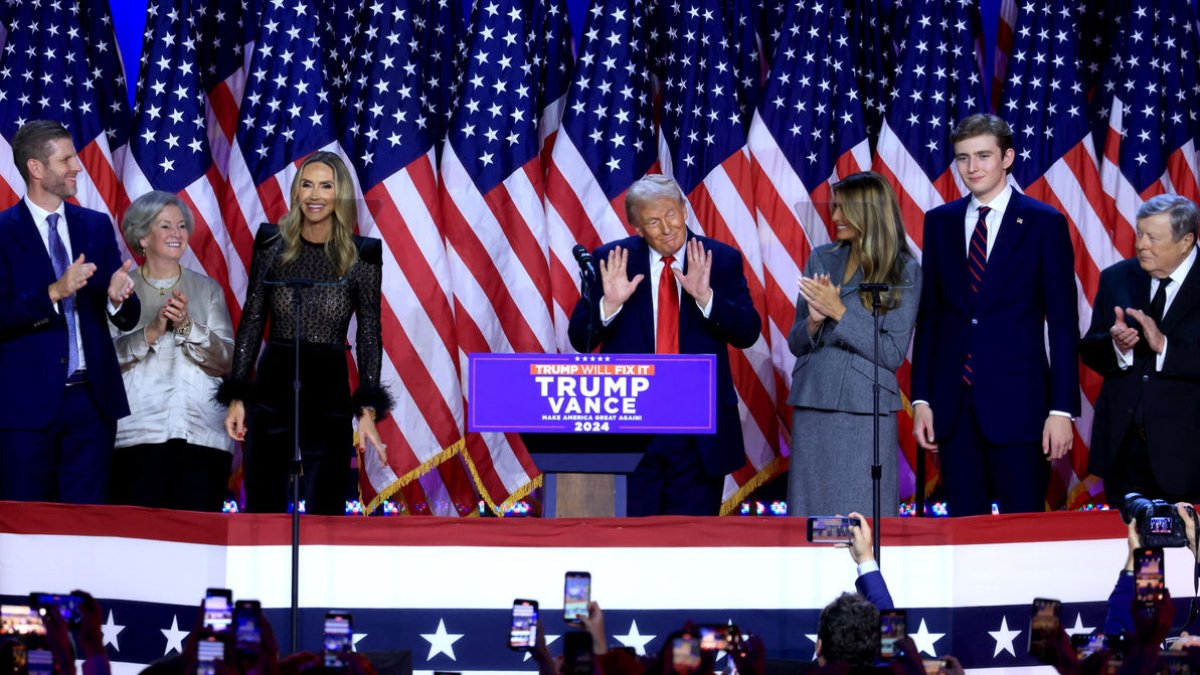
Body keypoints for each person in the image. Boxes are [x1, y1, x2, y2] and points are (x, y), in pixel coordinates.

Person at [911, 114, 1079, 516]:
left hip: (1020, 407)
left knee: (1023, 530)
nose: (972, 168)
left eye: (983, 156)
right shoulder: (940, 222)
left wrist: (1061, 410)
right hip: (953, 407)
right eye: (963, 158)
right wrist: (921, 398)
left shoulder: (1044, 223)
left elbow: (1062, 323)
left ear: (1007, 158)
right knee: (964, 530)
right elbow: (931, 316)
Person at [566, 174, 762, 516]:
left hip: (699, 432)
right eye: (653, 221)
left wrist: (707, 298)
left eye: (672, 214)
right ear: (638, 227)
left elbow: (748, 332)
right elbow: (580, 339)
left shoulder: (721, 259)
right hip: (632, 429)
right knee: (633, 545)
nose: (667, 227)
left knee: (693, 546)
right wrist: (608, 305)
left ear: (685, 210)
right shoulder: (613, 260)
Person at [218, 151, 391, 515]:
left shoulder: (364, 255)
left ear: (339, 194)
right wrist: (237, 396)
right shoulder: (270, 242)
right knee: (262, 496)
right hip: (274, 375)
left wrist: (368, 410)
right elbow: (252, 318)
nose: (315, 195)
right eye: (307, 185)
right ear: (296, 192)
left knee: (326, 499)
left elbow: (370, 334)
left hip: (328, 381)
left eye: (325, 186)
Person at [0, 120, 139, 504]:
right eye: (67, 159)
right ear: (36, 168)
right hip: (24, 408)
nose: (78, 166)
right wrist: (54, 292)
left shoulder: (95, 226)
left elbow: (126, 313)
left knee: (85, 525)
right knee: (25, 525)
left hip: (92, 405)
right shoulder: (3, 232)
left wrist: (118, 297)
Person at [787, 172, 921, 517]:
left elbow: (891, 353)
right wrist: (815, 322)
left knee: (858, 518)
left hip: (863, 409)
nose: (834, 218)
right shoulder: (821, 257)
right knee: (811, 517)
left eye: (844, 210)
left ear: (871, 212)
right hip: (813, 399)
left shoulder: (903, 269)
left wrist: (840, 312)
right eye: (834, 209)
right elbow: (796, 341)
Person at [109, 191, 235, 511]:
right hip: (137, 435)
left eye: (181, 226)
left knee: (199, 543)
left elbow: (226, 361)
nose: (177, 234)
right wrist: (150, 332)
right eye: (165, 226)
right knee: (140, 545)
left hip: (203, 436)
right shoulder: (120, 290)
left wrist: (186, 326)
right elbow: (104, 361)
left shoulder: (208, 290)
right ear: (142, 236)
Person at [1080, 195, 1200, 506]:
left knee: (1184, 551)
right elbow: (1091, 348)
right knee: (1132, 552)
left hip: (1189, 455)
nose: (1141, 244)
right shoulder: (1117, 278)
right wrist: (1118, 347)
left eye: (1153, 237)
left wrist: (1164, 347)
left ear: (1186, 241)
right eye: (1139, 233)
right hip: (1125, 454)